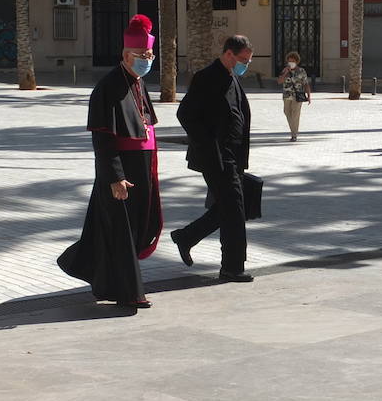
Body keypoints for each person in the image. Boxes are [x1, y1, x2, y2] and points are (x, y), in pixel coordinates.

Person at [57, 15, 161, 309]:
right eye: (142, 55)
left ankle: (84, 266)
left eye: (150, 55)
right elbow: (103, 138)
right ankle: (130, 293)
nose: (147, 60)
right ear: (126, 55)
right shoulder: (107, 87)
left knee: (120, 231)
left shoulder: (137, 83)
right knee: (122, 233)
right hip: (121, 172)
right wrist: (115, 177)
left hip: (140, 168)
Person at [172, 35, 255, 283]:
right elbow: (185, 114)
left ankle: (186, 237)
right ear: (229, 53)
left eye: (248, 61)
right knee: (234, 212)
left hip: (234, 157)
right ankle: (232, 267)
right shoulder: (207, 77)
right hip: (217, 158)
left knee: (229, 208)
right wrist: (209, 147)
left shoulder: (232, 77)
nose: (245, 65)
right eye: (243, 60)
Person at [279, 51, 312, 141]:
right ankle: (293, 131)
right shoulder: (285, 70)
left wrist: (308, 96)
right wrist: (285, 73)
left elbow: (306, 84)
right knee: (287, 112)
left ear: (297, 61)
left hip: (297, 96)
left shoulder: (301, 71)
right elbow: (280, 81)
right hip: (286, 96)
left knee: (295, 115)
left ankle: (294, 134)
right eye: (289, 61)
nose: (291, 63)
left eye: (292, 61)